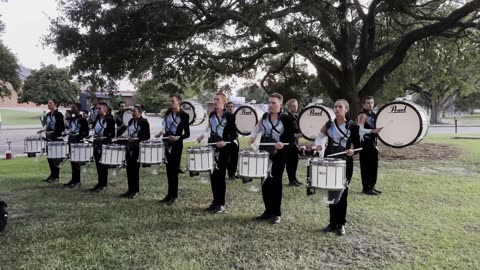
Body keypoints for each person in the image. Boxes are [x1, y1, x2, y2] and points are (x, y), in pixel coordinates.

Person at [248, 93, 295, 224]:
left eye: (274, 103)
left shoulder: (286, 119)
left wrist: (282, 144)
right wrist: (252, 136)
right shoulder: (265, 116)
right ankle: (267, 211)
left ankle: (276, 213)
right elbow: (257, 128)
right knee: (264, 182)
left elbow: (291, 139)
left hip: (279, 155)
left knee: (276, 183)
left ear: (280, 104)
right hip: (264, 152)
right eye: (269, 102)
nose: (270, 105)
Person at [314, 99, 356, 236]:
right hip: (330, 160)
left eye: (340, 107)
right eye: (335, 106)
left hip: (345, 163)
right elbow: (319, 137)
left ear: (346, 109)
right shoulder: (329, 124)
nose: (337, 109)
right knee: (332, 192)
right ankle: (332, 223)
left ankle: (341, 224)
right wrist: (319, 144)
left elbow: (357, 144)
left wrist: (353, 151)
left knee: (342, 194)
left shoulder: (351, 126)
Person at [197, 92, 237, 214]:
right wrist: (202, 135)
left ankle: (221, 204)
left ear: (224, 103)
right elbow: (209, 127)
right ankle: (215, 201)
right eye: (214, 99)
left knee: (220, 175)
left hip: (224, 149)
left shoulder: (230, 116)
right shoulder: (212, 114)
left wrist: (225, 142)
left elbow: (234, 135)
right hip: (212, 146)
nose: (215, 102)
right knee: (213, 175)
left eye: (217, 100)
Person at [155, 95, 190, 205]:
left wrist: (178, 137)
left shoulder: (184, 115)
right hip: (167, 143)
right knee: (168, 170)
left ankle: (174, 196)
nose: (170, 102)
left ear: (179, 102)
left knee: (174, 171)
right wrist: (162, 132)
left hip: (177, 145)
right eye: (170, 101)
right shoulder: (168, 113)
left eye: (173, 101)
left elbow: (187, 134)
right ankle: (169, 194)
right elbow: (164, 126)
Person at [121, 105, 150, 198]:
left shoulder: (144, 122)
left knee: (135, 169)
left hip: (138, 147)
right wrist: (123, 136)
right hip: (129, 146)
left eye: (134, 111)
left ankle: (135, 190)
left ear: (140, 112)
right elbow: (128, 131)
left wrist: (136, 139)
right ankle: (130, 190)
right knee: (129, 169)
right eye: (132, 111)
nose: (132, 113)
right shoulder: (131, 121)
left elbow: (147, 136)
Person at [357, 96, 383, 195]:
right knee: (366, 166)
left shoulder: (373, 114)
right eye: (367, 103)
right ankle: (366, 188)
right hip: (365, 143)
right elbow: (359, 130)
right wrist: (372, 131)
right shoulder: (363, 115)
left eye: (371, 102)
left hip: (372, 143)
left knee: (373, 166)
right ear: (363, 104)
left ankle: (372, 186)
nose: (370, 104)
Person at [89, 102, 115, 193]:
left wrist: (104, 137)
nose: (97, 110)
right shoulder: (97, 118)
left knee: (103, 165)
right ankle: (99, 183)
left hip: (105, 144)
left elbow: (112, 134)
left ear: (105, 109)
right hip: (97, 143)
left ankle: (103, 184)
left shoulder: (109, 119)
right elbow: (94, 130)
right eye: (97, 108)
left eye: (99, 108)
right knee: (98, 164)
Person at [38, 99, 65, 183]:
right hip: (49, 138)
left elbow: (61, 128)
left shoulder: (59, 114)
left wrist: (53, 133)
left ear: (55, 104)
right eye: (48, 103)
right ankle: (52, 174)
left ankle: (56, 176)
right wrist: (42, 130)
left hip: (57, 138)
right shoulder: (48, 114)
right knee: (49, 157)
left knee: (56, 158)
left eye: (50, 103)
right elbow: (47, 125)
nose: (48, 104)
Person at [64, 103, 89, 188]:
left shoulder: (82, 119)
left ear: (78, 109)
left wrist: (78, 136)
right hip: (71, 141)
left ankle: (77, 181)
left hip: (78, 143)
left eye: (74, 108)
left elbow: (86, 132)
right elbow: (70, 129)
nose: (72, 109)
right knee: (72, 161)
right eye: (71, 107)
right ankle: (73, 179)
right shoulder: (72, 119)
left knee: (77, 162)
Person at [285, 99, 303, 187]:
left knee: (295, 161)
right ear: (288, 107)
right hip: (288, 143)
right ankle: (291, 180)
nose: (295, 107)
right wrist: (298, 135)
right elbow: (287, 133)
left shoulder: (296, 116)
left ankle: (294, 179)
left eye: (296, 105)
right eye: (293, 105)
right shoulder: (286, 117)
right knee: (290, 162)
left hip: (294, 143)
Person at [225, 101, 239, 180]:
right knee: (228, 158)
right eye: (228, 106)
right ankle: (230, 175)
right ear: (226, 108)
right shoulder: (225, 116)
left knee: (235, 157)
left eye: (232, 106)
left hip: (235, 139)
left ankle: (233, 173)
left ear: (234, 108)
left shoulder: (236, 116)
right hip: (227, 140)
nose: (230, 108)